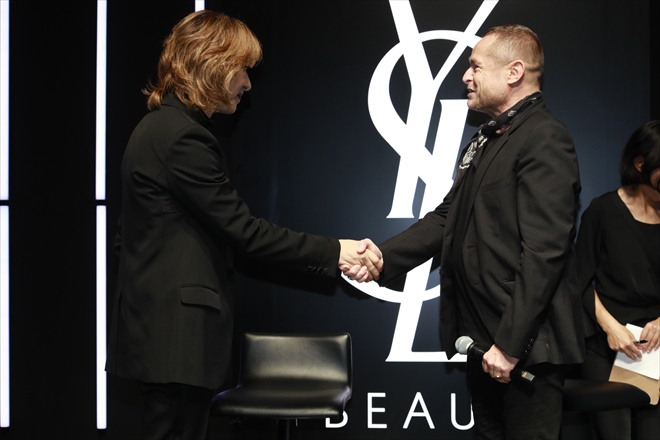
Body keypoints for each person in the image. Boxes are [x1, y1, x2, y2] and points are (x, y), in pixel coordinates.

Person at [106, 10, 382, 440]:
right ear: (212, 63)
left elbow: (128, 238)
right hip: (174, 341)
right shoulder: (183, 136)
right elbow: (244, 231)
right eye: (242, 69)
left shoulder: (158, 128)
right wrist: (336, 251)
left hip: (159, 336)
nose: (248, 84)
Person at [348, 24, 584, 439]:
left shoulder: (544, 137)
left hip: (524, 349)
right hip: (483, 342)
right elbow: (448, 216)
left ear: (514, 72)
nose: (465, 76)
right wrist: (382, 258)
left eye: (475, 66)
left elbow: (545, 252)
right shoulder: (488, 137)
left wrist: (510, 346)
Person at [576, 120, 660, 440]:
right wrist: (611, 327)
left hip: (655, 350)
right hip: (606, 346)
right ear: (640, 163)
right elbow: (577, 280)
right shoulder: (603, 210)